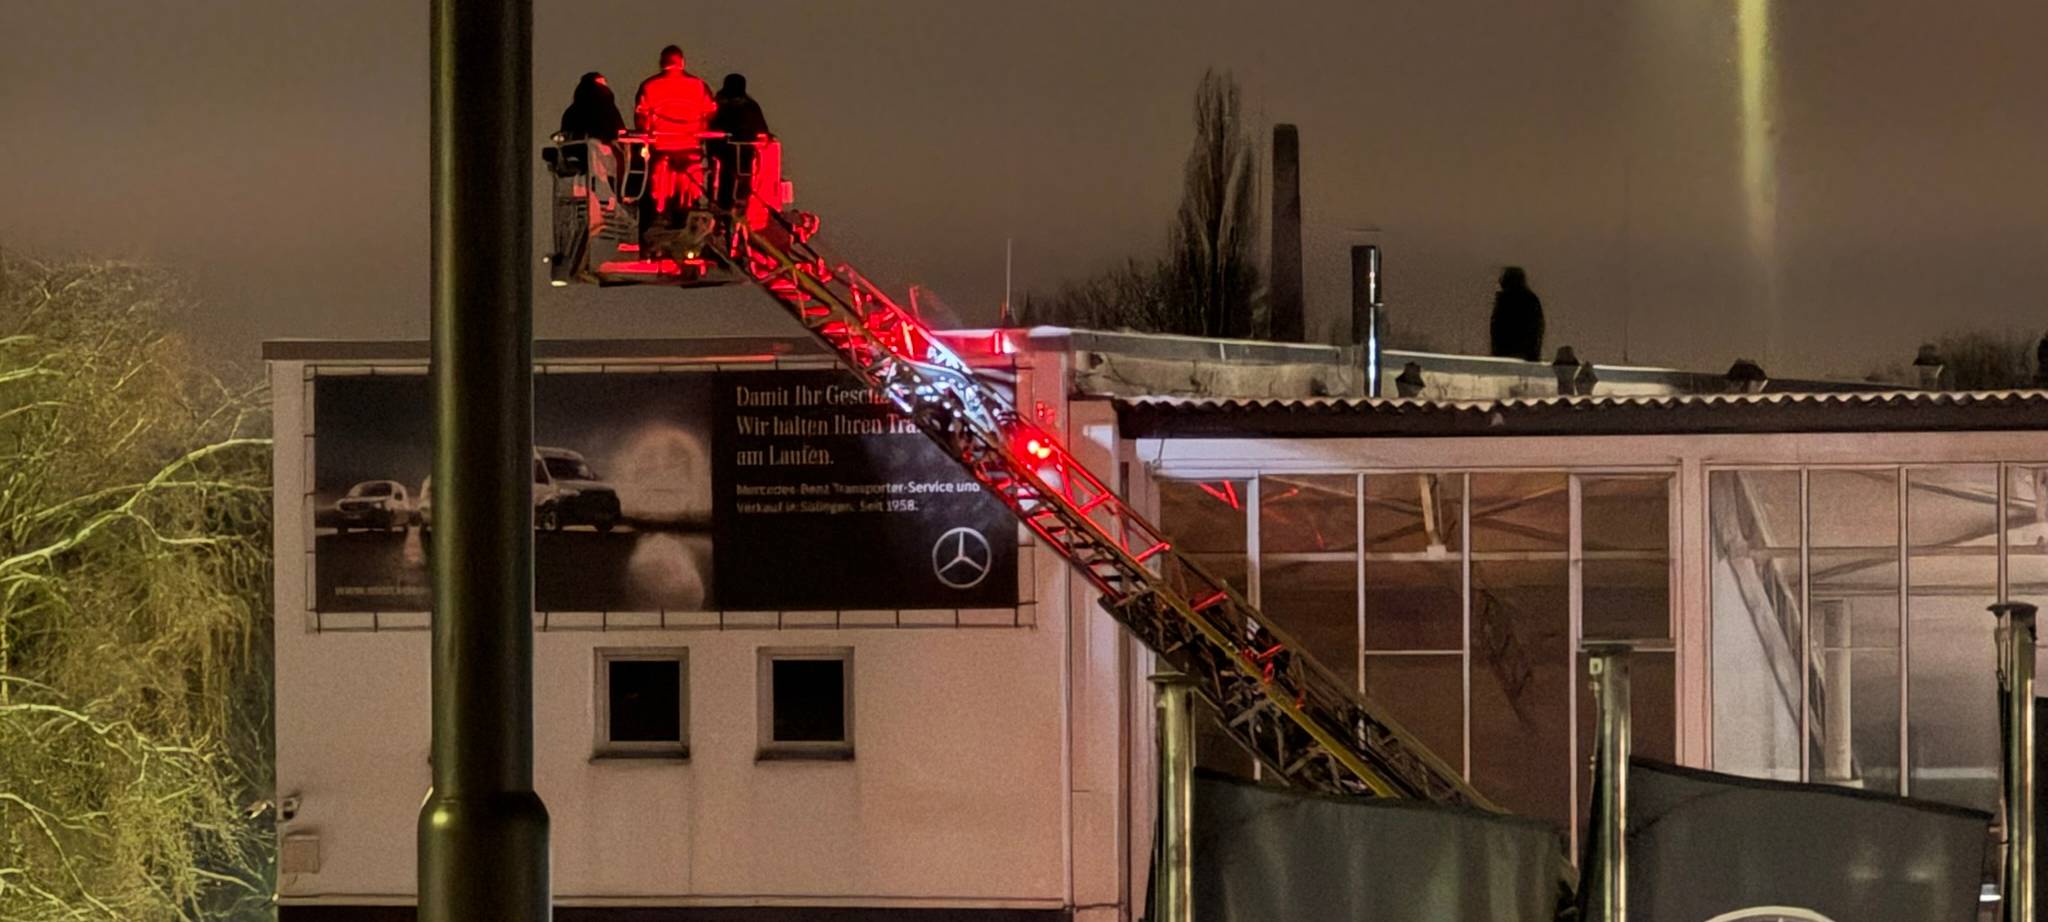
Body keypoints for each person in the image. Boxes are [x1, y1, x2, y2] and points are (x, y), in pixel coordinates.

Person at [634, 45, 717, 230]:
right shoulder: (698, 85)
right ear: (682, 62)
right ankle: (689, 225)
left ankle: (657, 224)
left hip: (662, 149)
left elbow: (641, 117)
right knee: (691, 193)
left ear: (661, 62)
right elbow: (711, 112)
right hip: (691, 149)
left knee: (657, 196)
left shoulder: (649, 86)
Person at [707, 73, 770, 210]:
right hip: (742, 152)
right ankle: (739, 203)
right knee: (740, 175)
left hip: (719, 150)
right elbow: (762, 130)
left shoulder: (716, 104)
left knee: (719, 174)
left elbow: (707, 123)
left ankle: (718, 202)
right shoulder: (750, 106)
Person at [1489, 266, 1546, 362]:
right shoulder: (1531, 299)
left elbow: (1496, 328)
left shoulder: (1503, 300)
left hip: (1504, 355)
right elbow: (1538, 328)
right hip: (1527, 356)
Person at [558, 72, 625, 143]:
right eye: (601, 82)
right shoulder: (608, 110)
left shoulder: (571, 112)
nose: (604, 85)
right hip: (604, 150)